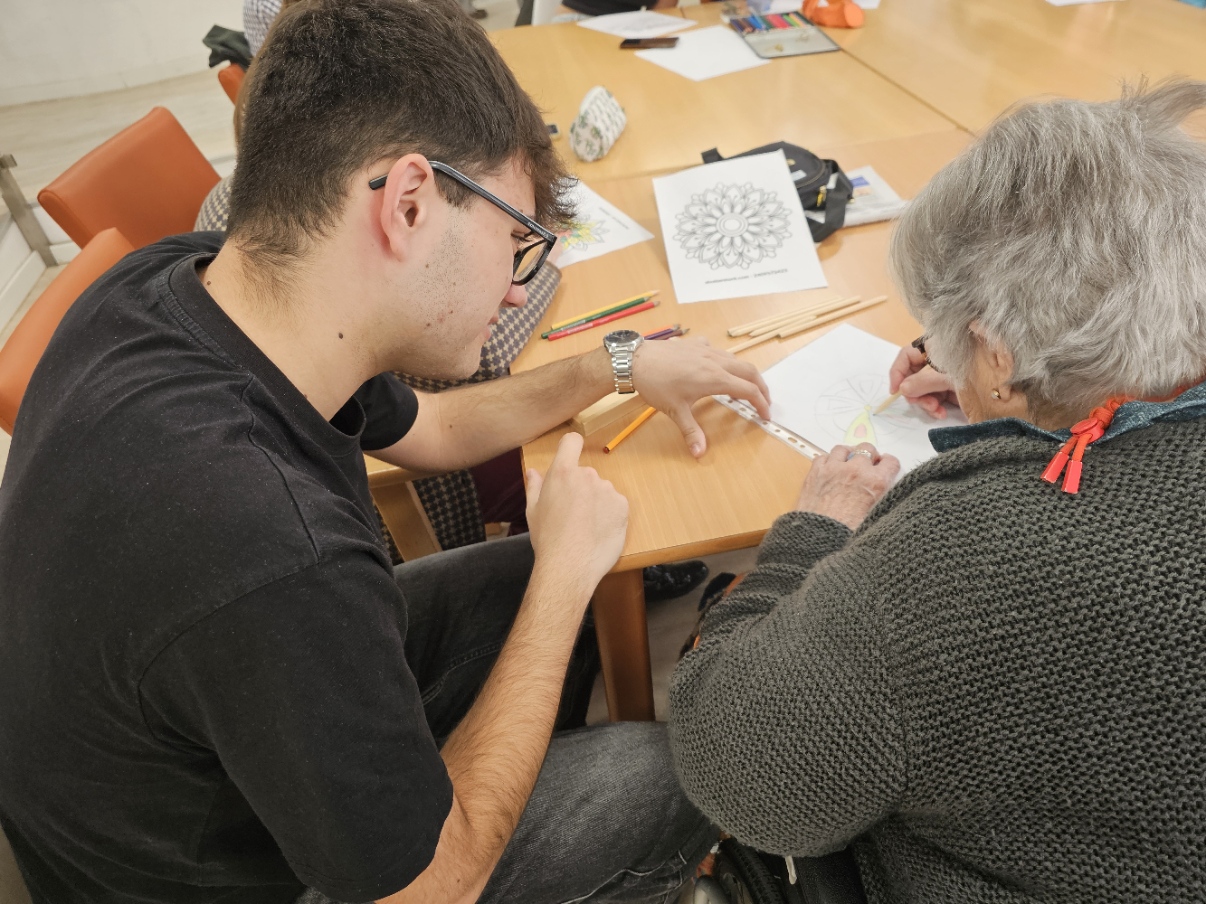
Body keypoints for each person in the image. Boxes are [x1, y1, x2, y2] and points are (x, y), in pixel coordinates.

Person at [0, 0, 783, 901]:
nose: (514, 284)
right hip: (228, 871)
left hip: (188, 752)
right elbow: (429, 889)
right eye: (515, 243)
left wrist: (620, 363)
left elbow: (440, 429)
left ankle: (483, 782)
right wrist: (565, 582)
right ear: (409, 202)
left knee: (531, 585)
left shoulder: (187, 284)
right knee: (662, 768)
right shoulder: (266, 545)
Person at [669, 80, 1206, 902]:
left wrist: (807, 537)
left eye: (952, 343)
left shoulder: (959, 554)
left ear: (995, 354)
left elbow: (741, 773)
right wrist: (1041, 394)